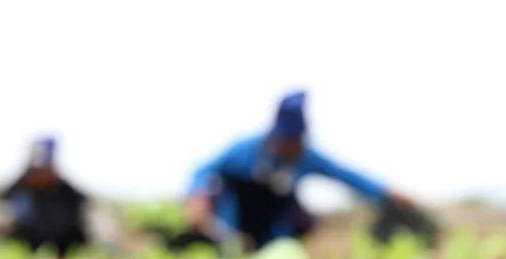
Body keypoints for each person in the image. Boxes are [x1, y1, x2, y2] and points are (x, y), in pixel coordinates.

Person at [183, 91, 435, 250]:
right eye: (288, 141)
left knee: (301, 218)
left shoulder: (305, 157)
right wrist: (198, 196)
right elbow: (203, 169)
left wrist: (386, 191)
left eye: (298, 141)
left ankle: (269, 247)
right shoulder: (246, 150)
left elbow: (347, 175)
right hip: (234, 221)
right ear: (276, 135)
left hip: (272, 227)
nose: (293, 147)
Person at [0, 137, 90, 253]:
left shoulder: (69, 194)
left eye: (43, 169)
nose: (39, 174)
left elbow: (84, 208)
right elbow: (1, 204)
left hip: (63, 248)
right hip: (25, 248)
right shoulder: (18, 189)